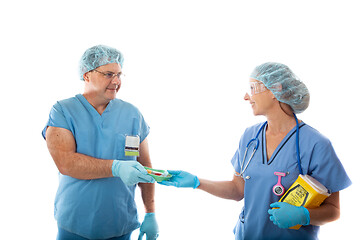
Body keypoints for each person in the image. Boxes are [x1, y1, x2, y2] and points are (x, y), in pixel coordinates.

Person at [159, 62, 351, 240]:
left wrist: (303, 215)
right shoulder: (250, 136)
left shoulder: (316, 144)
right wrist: (197, 182)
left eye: (252, 88)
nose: (245, 97)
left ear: (275, 89)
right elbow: (237, 190)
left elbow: (333, 210)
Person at [42, 45, 159, 240]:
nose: (116, 81)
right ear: (87, 75)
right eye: (109, 74)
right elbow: (66, 163)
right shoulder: (63, 111)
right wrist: (116, 167)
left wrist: (150, 212)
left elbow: (145, 167)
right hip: (74, 224)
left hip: (120, 224)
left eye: (119, 75)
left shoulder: (132, 114)